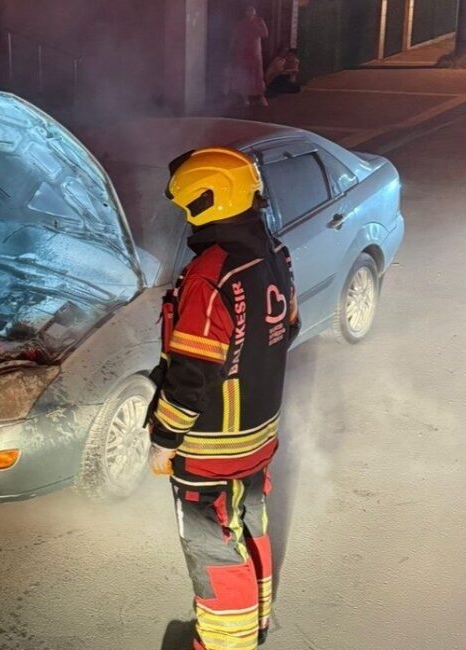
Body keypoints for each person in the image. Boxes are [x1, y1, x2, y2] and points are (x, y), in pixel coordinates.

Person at [147, 147, 299, 650]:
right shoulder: (276, 253)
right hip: (260, 437)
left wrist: (164, 441)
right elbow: (287, 329)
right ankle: (253, 627)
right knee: (250, 524)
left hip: (212, 449)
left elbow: (192, 376)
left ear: (203, 202)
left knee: (214, 550)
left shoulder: (210, 274)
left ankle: (222, 644)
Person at [230, 6, 270, 107]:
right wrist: (232, 48)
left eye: (252, 10)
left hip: (255, 52)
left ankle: (262, 97)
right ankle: (245, 98)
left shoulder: (259, 21)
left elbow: (265, 34)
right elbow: (234, 36)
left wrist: (256, 28)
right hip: (243, 52)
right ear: (245, 12)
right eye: (248, 10)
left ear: (255, 12)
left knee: (258, 75)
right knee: (245, 76)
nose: (250, 12)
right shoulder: (241, 23)